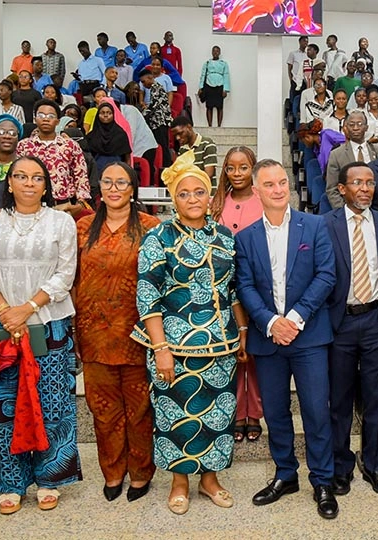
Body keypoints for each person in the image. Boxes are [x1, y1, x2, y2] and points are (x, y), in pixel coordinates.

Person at [132, 159, 245, 512]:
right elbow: (147, 294)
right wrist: (160, 348)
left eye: (199, 191)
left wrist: (242, 331)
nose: (193, 199)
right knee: (175, 417)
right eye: (184, 194)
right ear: (173, 199)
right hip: (173, 345)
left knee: (217, 415)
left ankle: (210, 480)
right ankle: (179, 482)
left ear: (209, 195)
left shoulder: (224, 236)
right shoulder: (158, 237)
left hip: (221, 344)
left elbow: (233, 290)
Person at [0, 155, 80, 515]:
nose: (29, 183)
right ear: (9, 182)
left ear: (46, 185)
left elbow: (65, 274)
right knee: (7, 403)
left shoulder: (61, 221)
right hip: (1, 324)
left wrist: (28, 308)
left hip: (48, 323)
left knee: (51, 403)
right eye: (21, 176)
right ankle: (11, 482)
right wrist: (7, 310)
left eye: (37, 177)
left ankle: (49, 478)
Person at [234, 159, 339, 519]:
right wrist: (270, 322)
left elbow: (326, 276)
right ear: (256, 190)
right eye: (270, 184)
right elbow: (244, 286)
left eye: (282, 182)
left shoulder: (315, 225)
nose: (278, 189)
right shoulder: (245, 237)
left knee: (316, 411)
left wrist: (293, 320)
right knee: (276, 412)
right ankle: (285, 474)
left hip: (308, 337)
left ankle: (322, 480)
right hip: (268, 340)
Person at [74, 162, 159, 502]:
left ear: (132, 188)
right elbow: (72, 279)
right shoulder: (83, 227)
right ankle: (112, 471)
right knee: (103, 408)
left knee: (139, 409)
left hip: (137, 332)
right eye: (107, 182)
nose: (113, 188)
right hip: (93, 333)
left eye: (121, 182)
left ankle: (140, 473)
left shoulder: (151, 227)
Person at [324, 161, 378, 496]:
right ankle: (340, 466)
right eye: (357, 183)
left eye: (370, 183)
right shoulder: (325, 224)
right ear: (342, 188)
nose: (365, 189)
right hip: (340, 322)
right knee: (339, 399)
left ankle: (375, 465)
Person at [210, 147, 264, 441]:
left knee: (254, 353)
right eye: (231, 168)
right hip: (223, 289)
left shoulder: (263, 199)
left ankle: (253, 412)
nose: (237, 173)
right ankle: (235, 413)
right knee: (232, 352)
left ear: (252, 169)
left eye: (243, 167)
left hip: (256, 287)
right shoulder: (218, 202)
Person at [15, 100, 91, 217]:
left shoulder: (70, 146)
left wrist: (80, 204)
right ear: (35, 119)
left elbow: (81, 176)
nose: (46, 119)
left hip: (63, 206)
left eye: (51, 116)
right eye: (41, 115)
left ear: (58, 121)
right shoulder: (24, 146)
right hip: (31, 205)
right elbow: (17, 176)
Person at [326, 111, 378, 209]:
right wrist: (347, 211)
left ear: (366, 127)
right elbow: (332, 190)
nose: (355, 128)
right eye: (351, 125)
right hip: (348, 208)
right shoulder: (336, 155)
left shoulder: (377, 151)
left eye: (359, 124)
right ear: (346, 128)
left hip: (376, 208)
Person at [138, 67, 174, 170]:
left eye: (143, 81)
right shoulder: (154, 88)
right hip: (157, 122)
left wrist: (141, 115)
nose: (143, 85)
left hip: (160, 122)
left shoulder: (156, 88)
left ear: (150, 78)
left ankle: (166, 167)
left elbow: (153, 106)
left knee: (163, 146)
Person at [172, 115, 217, 182]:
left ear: (189, 127)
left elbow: (208, 175)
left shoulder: (207, 144)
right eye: (175, 135)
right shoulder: (182, 149)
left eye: (180, 133)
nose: (177, 138)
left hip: (205, 188)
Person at [199, 45, 231, 127]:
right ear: (212, 52)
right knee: (209, 106)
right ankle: (209, 125)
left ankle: (219, 126)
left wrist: (225, 89)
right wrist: (201, 87)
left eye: (217, 51)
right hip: (208, 85)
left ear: (219, 53)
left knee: (220, 107)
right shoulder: (207, 63)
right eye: (214, 51)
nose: (215, 53)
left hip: (220, 86)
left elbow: (226, 76)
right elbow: (203, 75)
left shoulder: (224, 64)